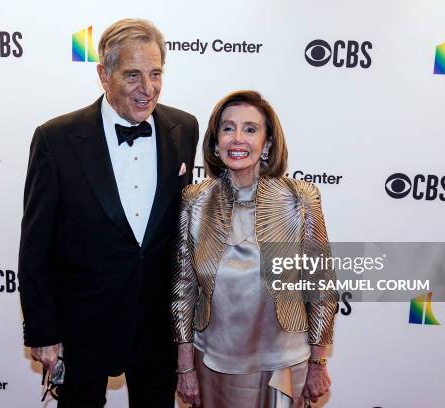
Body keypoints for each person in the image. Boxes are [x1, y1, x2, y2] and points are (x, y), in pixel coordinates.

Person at [18, 18, 199, 407]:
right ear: (104, 74)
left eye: (155, 73)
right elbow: (35, 244)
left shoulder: (184, 128)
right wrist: (42, 331)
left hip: (155, 327)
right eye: (132, 75)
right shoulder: (56, 138)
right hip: (82, 324)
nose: (147, 89)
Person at [171, 90, 337, 407]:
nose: (237, 139)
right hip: (214, 361)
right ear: (215, 141)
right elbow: (184, 287)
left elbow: (320, 284)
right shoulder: (195, 200)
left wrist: (318, 362)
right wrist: (184, 365)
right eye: (228, 128)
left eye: (250, 129)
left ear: (267, 143)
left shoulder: (299, 198)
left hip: (285, 360)